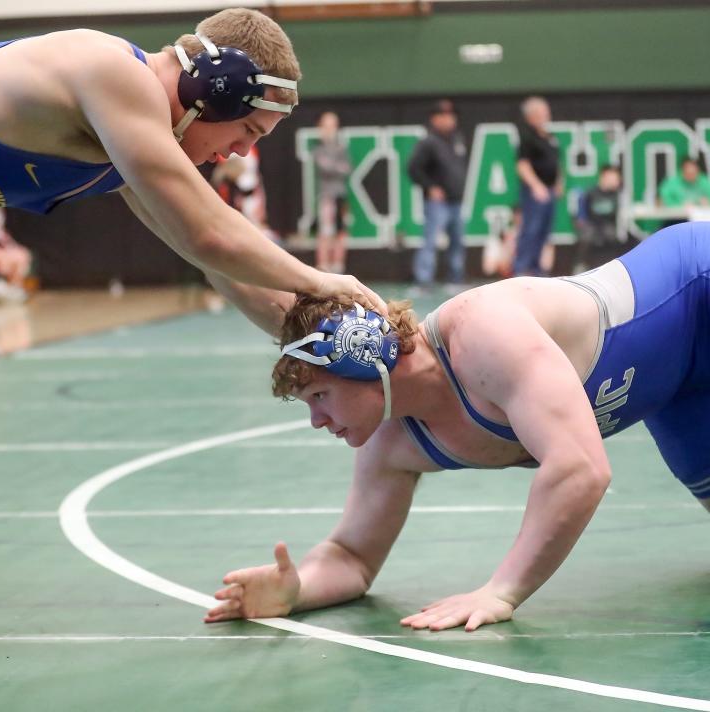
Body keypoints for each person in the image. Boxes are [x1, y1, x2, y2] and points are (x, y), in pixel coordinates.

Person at [0, 8, 387, 550]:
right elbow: (211, 234)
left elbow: (212, 260)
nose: (242, 153)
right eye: (248, 131)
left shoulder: (129, 144)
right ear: (213, 90)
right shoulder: (111, 72)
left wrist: (305, 339)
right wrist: (321, 279)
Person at [202, 220, 710, 632]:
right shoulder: (392, 440)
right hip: (675, 385)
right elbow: (352, 557)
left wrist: (501, 591)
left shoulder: (480, 335)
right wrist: (298, 591)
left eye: (318, 396)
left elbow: (581, 469)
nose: (316, 421)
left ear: (365, 361)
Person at [407, 99, 468, 294]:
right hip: (437, 203)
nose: (448, 119)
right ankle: (423, 281)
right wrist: (430, 187)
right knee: (431, 241)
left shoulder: (457, 139)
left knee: (457, 241)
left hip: (456, 200)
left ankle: (456, 280)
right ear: (434, 119)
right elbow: (413, 168)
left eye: (451, 115)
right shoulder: (428, 142)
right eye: (443, 116)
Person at [513, 96, 561, 276]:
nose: (546, 115)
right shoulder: (527, 137)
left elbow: (556, 162)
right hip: (535, 192)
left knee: (544, 232)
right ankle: (521, 269)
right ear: (531, 116)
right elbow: (522, 165)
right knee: (530, 230)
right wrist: (536, 186)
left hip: (549, 191)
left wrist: (557, 183)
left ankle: (536, 270)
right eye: (541, 112)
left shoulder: (549, 137)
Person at [312, 111, 352, 274]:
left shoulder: (341, 148)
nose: (329, 129)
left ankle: (338, 267)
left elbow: (346, 168)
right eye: (326, 125)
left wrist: (334, 166)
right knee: (325, 233)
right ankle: (323, 268)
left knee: (341, 232)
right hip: (326, 197)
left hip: (340, 196)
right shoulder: (319, 149)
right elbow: (326, 167)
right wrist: (336, 167)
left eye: (333, 125)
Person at [572, 164, 622, 274]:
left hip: (606, 226)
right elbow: (581, 215)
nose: (616, 182)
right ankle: (581, 265)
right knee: (587, 236)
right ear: (603, 177)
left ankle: (611, 268)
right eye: (613, 178)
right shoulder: (590, 193)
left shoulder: (615, 195)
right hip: (591, 225)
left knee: (611, 234)